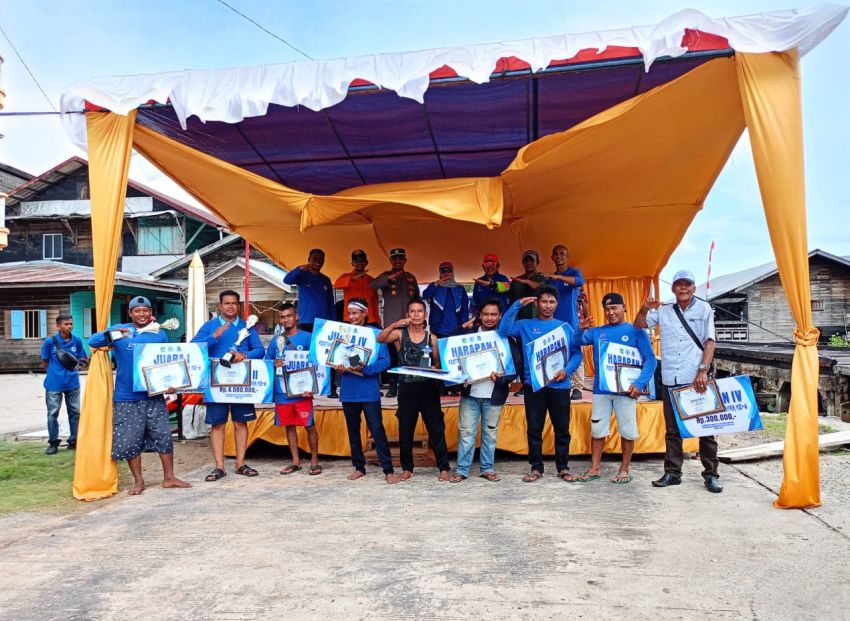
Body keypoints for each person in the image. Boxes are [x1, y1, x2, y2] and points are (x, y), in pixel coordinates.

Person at [89, 296, 190, 495]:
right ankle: (139, 481)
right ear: (130, 313)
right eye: (137, 311)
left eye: (145, 310)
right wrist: (113, 333)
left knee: (163, 436)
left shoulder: (158, 333)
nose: (141, 314)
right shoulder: (121, 330)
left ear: (150, 312)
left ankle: (169, 478)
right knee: (130, 440)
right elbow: (93, 341)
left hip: (153, 395)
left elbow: (164, 363)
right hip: (126, 396)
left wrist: (170, 385)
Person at [634, 270, 722, 493]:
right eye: (679, 285)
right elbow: (638, 325)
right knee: (672, 430)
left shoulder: (704, 309)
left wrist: (703, 371)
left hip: (695, 378)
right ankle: (673, 473)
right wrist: (645, 308)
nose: (683, 288)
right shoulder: (664, 310)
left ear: (694, 287)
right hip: (671, 376)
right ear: (673, 288)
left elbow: (710, 342)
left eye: (687, 285)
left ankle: (711, 475)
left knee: (705, 429)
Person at [499, 285, 582, 482]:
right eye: (543, 301)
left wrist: (567, 371)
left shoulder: (565, 327)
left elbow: (577, 353)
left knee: (562, 429)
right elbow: (504, 329)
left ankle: (563, 467)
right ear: (536, 303)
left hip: (560, 386)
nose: (547, 306)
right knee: (534, 429)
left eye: (551, 302)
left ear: (557, 304)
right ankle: (536, 468)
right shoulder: (525, 325)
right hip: (533, 386)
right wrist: (517, 305)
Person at [576, 292, 656, 484]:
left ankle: (624, 469)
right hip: (601, 391)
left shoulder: (636, 331)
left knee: (627, 431)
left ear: (624, 308)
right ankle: (595, 468)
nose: (611, 312)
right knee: (598, 431)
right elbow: (575, 342)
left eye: (614, 308)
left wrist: (639, 383)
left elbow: (650, 360)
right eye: (607, 309)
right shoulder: (597, 332)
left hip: (626, 392)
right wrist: (580, 329)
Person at [192, 290, 265, 481]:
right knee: (218, 424)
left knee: (241, 422)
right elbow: (193, 348)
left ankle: (240, 463)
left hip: (241, 384)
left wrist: (246, 355)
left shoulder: (246, 326)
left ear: (238, 305)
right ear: (220, 306)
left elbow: (260, 350)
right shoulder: (210, 326)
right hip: (216, 385)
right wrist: (213, 336)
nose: (231, 306)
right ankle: (219, 466)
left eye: (234, 303)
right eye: (227, 303)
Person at [377, 298, 451, 482]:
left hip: (428, 389)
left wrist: (435, 368)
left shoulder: (432, 338)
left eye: (420, 311)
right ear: (407, 315)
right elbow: (380, 338)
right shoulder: (400, 335)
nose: (416, 314)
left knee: (436, 429)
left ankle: (443, 467)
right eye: (412, 311)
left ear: (425, 315)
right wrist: (395, 324)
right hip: (407, 389)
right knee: (406, 429)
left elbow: (437, 363)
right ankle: (407, 468)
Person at [451, 299, 518, 483]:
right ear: (479, 316)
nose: (490, 318)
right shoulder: (467, 336)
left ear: (500, 316)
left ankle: (487, 468)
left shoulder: (506, 338)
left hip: (494, 396)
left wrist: (502, 379)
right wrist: (460, 374)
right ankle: (462, 470)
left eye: (494, 314)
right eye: (486, 314)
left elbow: (516, 366)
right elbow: (449, 349)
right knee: (466, 433)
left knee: (489, 434)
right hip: (470, 395)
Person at [333, 298, 397, 483]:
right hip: (348, 390)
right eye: (349, 313)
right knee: (353, 431)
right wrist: (336, 366)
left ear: (364, 314)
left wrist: (366, 369)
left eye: (355, 313)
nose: (352, 317)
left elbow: (386, 361)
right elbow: (333, 356)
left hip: (369, 389)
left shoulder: (377, 335)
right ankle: (359, 467)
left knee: (377, 429)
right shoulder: (341, 334)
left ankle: (388, 469)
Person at [265, 302, 322, 476]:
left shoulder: (308, 338)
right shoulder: (276, 341)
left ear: (296, 316)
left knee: (309, 425)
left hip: (303, 391)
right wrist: (274, 363)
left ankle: (314, 461)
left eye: (289, 316)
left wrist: (313, 386)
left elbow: (317, 362)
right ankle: (295, 462)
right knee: (289, 426)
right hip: (283, 391)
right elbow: (267, 363)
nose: (286, 320)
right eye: (282, 317)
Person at [371, 248, 419, 398]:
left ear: (405, 260)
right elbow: (372, 285)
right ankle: (392, 386)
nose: (398, 261)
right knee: (392, 356)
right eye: (395, 259)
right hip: (392, 324)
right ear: (391, 261)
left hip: (409, 324)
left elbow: (417, 299)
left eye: (401, 258)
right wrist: (389, 279)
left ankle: (407, 384)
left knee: (407, 354)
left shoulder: (411, 277)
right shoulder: (386, 275)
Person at [41, 313, 88, 454]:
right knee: (52, 413)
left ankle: (74, 441)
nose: (69, 326)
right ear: (58, 326)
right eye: (66, 324)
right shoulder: (50, 342)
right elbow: (45, 361)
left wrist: (78, 367)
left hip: (72, 383)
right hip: (53, 384)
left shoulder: (77, 341)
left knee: (75, 413)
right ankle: (53, 443)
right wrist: (54, 373)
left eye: (71, 324)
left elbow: (83, 359)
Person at [547, 244, 586, 400]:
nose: (559, 256)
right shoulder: (550, 278)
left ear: (567, 256)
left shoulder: (574, 272)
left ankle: (577, 387)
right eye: (556, 254)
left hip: (571, 321)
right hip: (554, 322)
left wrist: (559, 277)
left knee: (575, 350)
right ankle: (560, 381)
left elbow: (579, 282)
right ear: (552, 257)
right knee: (556, 351)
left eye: (562, 254)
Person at [283, 248, 335, 332]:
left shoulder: (326, 279)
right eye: (315, 258)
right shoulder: (302, 275)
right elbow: (287, 280)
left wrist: (333, 322)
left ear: (323, 261)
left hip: (324, 321)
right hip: (306, 320)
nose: (318, 261)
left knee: (321, 345)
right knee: (307, 344)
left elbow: (330, 302)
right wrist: (299, 269)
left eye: (321, 259)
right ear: (309, 259)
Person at [421, 261, 469, 339]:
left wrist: (464, 327)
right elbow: (425, 295)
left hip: (456, 330)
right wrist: (436, 284)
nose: (446, 273)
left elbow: (465, 310)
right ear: (439, 272)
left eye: (449, 270)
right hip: (438, 330)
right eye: (443, 271)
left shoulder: (460, 288)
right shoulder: (435, 287)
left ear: (453, 272)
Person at [334, 249, 381, 327]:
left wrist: (378, 320)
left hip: (369, 319)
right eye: (356, 261)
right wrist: (353, 278)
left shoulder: (371, 280)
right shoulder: (346, 276)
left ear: (366, 263)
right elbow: (336, 285)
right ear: (352, 263)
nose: (359, 263)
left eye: (362, 261)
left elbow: (375, 302)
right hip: (351, 318)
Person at [508, 250, 546, 320]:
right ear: (523, 263)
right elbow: (511, 301)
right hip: (519, 319)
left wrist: (527, 281)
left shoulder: (543, 277)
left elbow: (542, 289)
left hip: (538, 319)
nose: (529, 263)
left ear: (538, 262)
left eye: (532, 260)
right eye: (526, 261)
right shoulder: (516, 281)